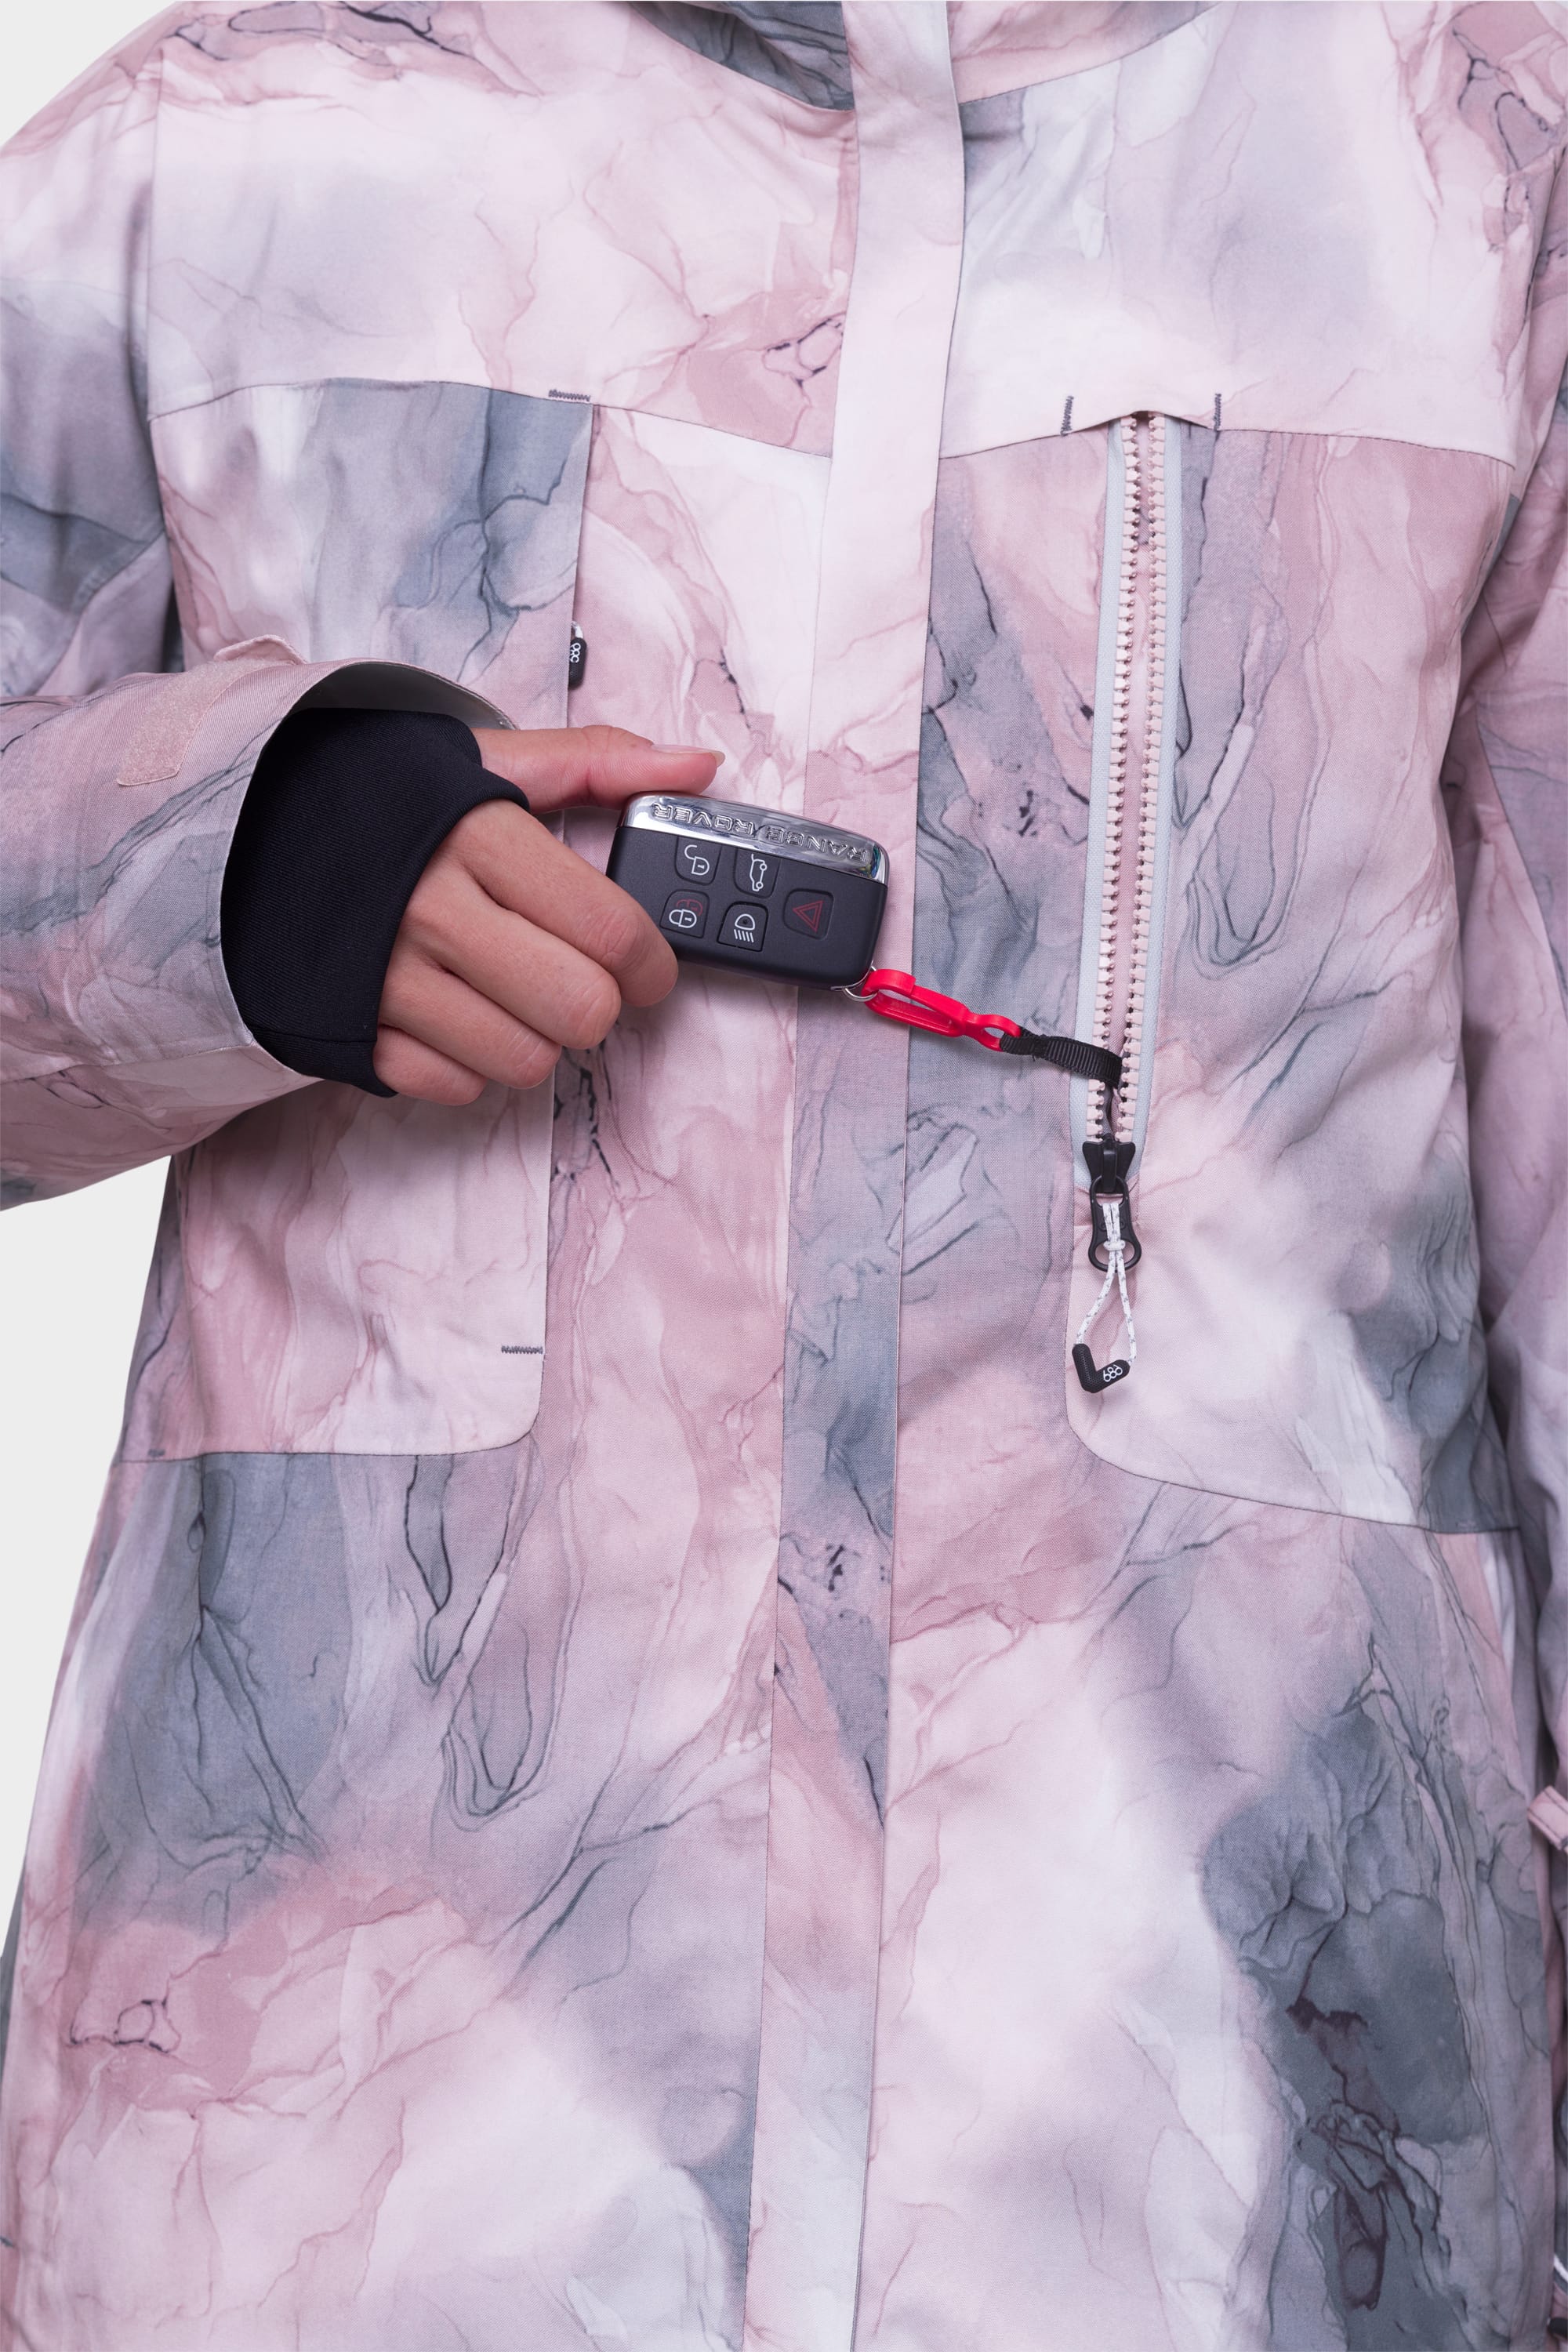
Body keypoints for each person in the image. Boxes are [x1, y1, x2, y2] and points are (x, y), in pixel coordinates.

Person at [2, 3, 1564, 2344]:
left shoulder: (1473, 155)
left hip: (1219, 2157)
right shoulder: (237, 141)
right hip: (358, 2180)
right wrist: (237, 856)